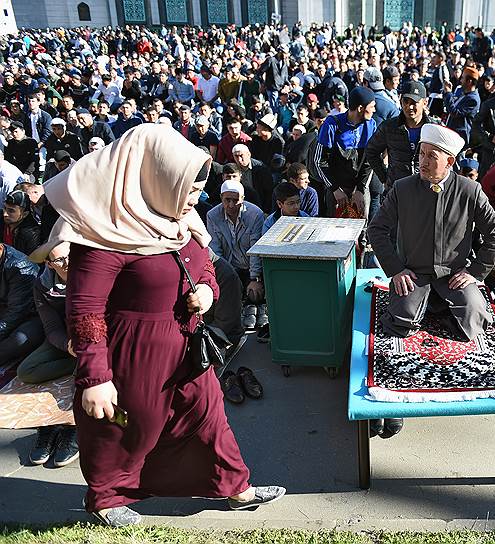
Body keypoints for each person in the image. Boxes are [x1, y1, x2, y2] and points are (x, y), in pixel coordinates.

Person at [34, 124, 284, 527]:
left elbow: (204, 263)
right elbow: (85, 309)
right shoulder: (102, 233)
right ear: (152, 177)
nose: (196, 199)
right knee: (126, 426)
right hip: (132, 352)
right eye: (187, 187)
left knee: (208, 413)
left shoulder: (177, 216)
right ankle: (105, 498)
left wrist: (206, 290)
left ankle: (236, 486)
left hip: (187, 344)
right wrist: (95, 376)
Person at [367, 123, 495, 438]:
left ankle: (441, 306)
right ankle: (390, 405)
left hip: (455, 274)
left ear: (450, 162)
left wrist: (475, 273)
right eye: (422, 154)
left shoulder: (470, 191)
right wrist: (396, 270)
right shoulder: (402, 188)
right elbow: (377, 230)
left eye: (433, 156)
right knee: (399, 321)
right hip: (414, 273)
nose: (424, 161)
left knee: (474, 318)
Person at [20, 242, 80, 468]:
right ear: (48, 264)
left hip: (94, 339)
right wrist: (68, 345)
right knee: (26, 372)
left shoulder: (89, 275)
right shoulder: (42, 286)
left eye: (69, 256)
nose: (67, 264)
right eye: (59, 260)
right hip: (65, 340)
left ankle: (73, 430)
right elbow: (51, 327)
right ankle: (48, 426)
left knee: (85, 379)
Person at [206, 179, 265, 329]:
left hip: (251, 265)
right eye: (227, 200)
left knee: (254, 293)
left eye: (235, 200)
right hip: (230, 266)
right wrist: (229, 278)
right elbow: (215, 250)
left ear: (243, 200)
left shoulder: (254, 214)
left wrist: (255, 278)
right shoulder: (213, 216)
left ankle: (259, 307)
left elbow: (255, 249)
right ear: (221, 199)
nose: (231, 205)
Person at [311, 86, 376, 218]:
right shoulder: (331, 124)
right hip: (337, 190)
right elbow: (319, 161)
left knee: (361, 229)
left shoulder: (371, 125)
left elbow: (371, 160)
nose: (374, 110)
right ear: (360, 108)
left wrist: (360, 190)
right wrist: (335, 189)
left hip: (359, 188)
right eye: (372, 106)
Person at [0, 241, 43, 365]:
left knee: (18, 340)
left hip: (29, 316)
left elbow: (17, 312)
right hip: (7, 310)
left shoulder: (20, 266)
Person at [443, 66, 481, 145]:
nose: (461, 80)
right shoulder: (464, 93)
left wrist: (448, 93)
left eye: (463, 78)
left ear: (469, 81)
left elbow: (454, 112)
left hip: (459, 138)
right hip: (452, 134)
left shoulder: (473, 100)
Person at [231, 144, 274, 213]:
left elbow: (268, 192)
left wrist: (266, 211)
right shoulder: (233, 170)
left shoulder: (261, 169)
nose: (239, 159)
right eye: (236, 156)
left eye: (241, 155)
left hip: (260, 205)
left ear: (248, 154)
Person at [3, 190, 40, 256]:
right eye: (5, 208)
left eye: (11, 211)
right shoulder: (2, 220)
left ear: (25, 214)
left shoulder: (31, 234)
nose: (5, 214)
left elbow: (32, 263)